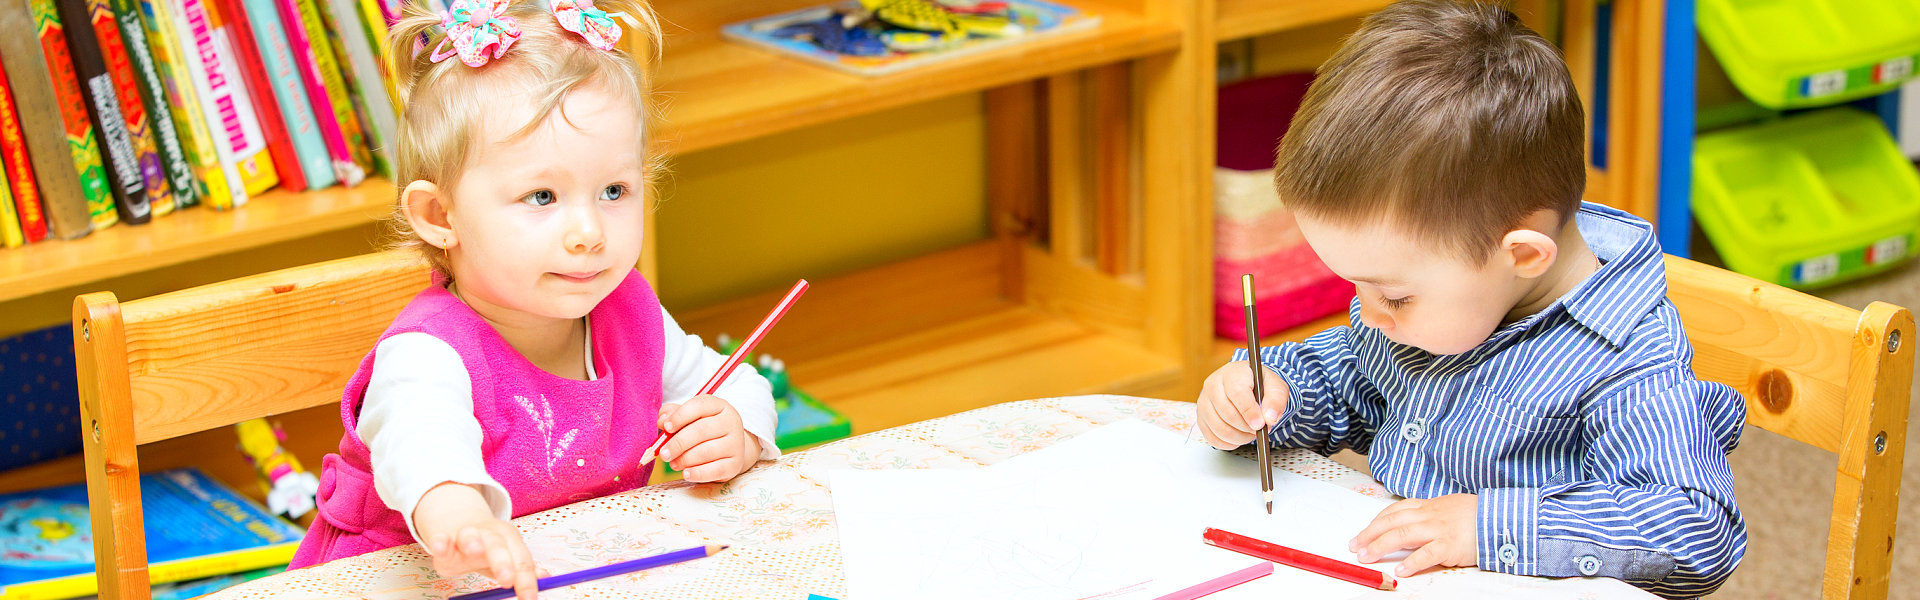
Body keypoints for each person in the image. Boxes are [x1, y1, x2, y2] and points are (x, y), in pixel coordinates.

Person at [1192, 1, 1745, 597]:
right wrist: (1270, 395)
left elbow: (1697, 530)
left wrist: (1489, 527)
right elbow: (1354, 377)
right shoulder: (1450, 302)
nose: (1367, 314)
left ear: (1524, 256)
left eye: (1396, 297)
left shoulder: (1630, 359)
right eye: (1356, 285)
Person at [288, 2, 779, 598]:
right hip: (415, 581)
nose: (589, 231)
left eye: (614, 190)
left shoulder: (627, 309)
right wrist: (464, 521)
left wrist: (739, 430)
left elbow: (731, 382)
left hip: (575, 574)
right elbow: (423, 455)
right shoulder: (427, 354)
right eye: (542, 196)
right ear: (441, 216)